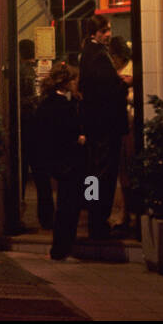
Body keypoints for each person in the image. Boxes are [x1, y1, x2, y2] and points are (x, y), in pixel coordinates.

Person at [79, 14, 128, 239]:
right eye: (104, 30)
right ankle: (98, 221)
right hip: (105, 125)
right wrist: (123, 84)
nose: (108, 34)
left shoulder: (88, 52)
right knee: (103, 175)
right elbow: (107, 91)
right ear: (94, 32)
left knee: (93, 172)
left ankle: (93, 217)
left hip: (94, 124)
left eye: (108, 29)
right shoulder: (98, 55)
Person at [36, 62, 87, 260]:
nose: (77, 84)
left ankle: (61, 246)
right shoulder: (64, 107)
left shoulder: (46, 104)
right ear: (67, 82)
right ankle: (62, 246)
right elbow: (70, 132)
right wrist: (80, 139)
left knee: (65, 203)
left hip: (53, 160)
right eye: (74, 80)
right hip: (68, 161)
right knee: (69, 204)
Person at [19, 39, 54, 229]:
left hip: (24, 129)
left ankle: (19, 213)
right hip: (33, 129)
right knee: (41, 175)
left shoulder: (20, 70)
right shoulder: (27, 72)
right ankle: (47, 217)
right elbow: (30, 100)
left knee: (22, 174)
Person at [108, 35, 135, 232]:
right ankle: (123, 212)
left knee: (128, 169)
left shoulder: (131, 70)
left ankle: (129, 213)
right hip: (118, 126)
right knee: (121, 171)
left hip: (129, 126)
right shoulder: (115, 72)